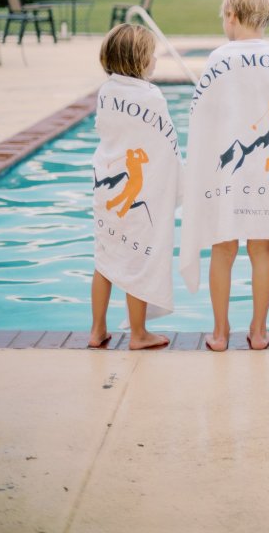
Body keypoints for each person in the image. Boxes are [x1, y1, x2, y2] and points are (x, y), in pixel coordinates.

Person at [180, 0, 269, 352]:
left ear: (231, 15)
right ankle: (260, 330)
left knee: (223, 248)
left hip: (226, 169)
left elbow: (200, 118)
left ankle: (219, 332)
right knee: (261, 249)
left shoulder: (218, 58)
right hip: (266, 169)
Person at [90, 23, 182, 350]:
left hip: (106, 186)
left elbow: (109, 131)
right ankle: (139, 334)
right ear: (139, 59)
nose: (156, 60)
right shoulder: (151, 97)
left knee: (105, 258)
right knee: (136, 257)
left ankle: (97, 329)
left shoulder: (106, 92)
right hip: (138, 190)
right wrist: (178, 184)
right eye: (152, 54)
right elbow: (165, 147)